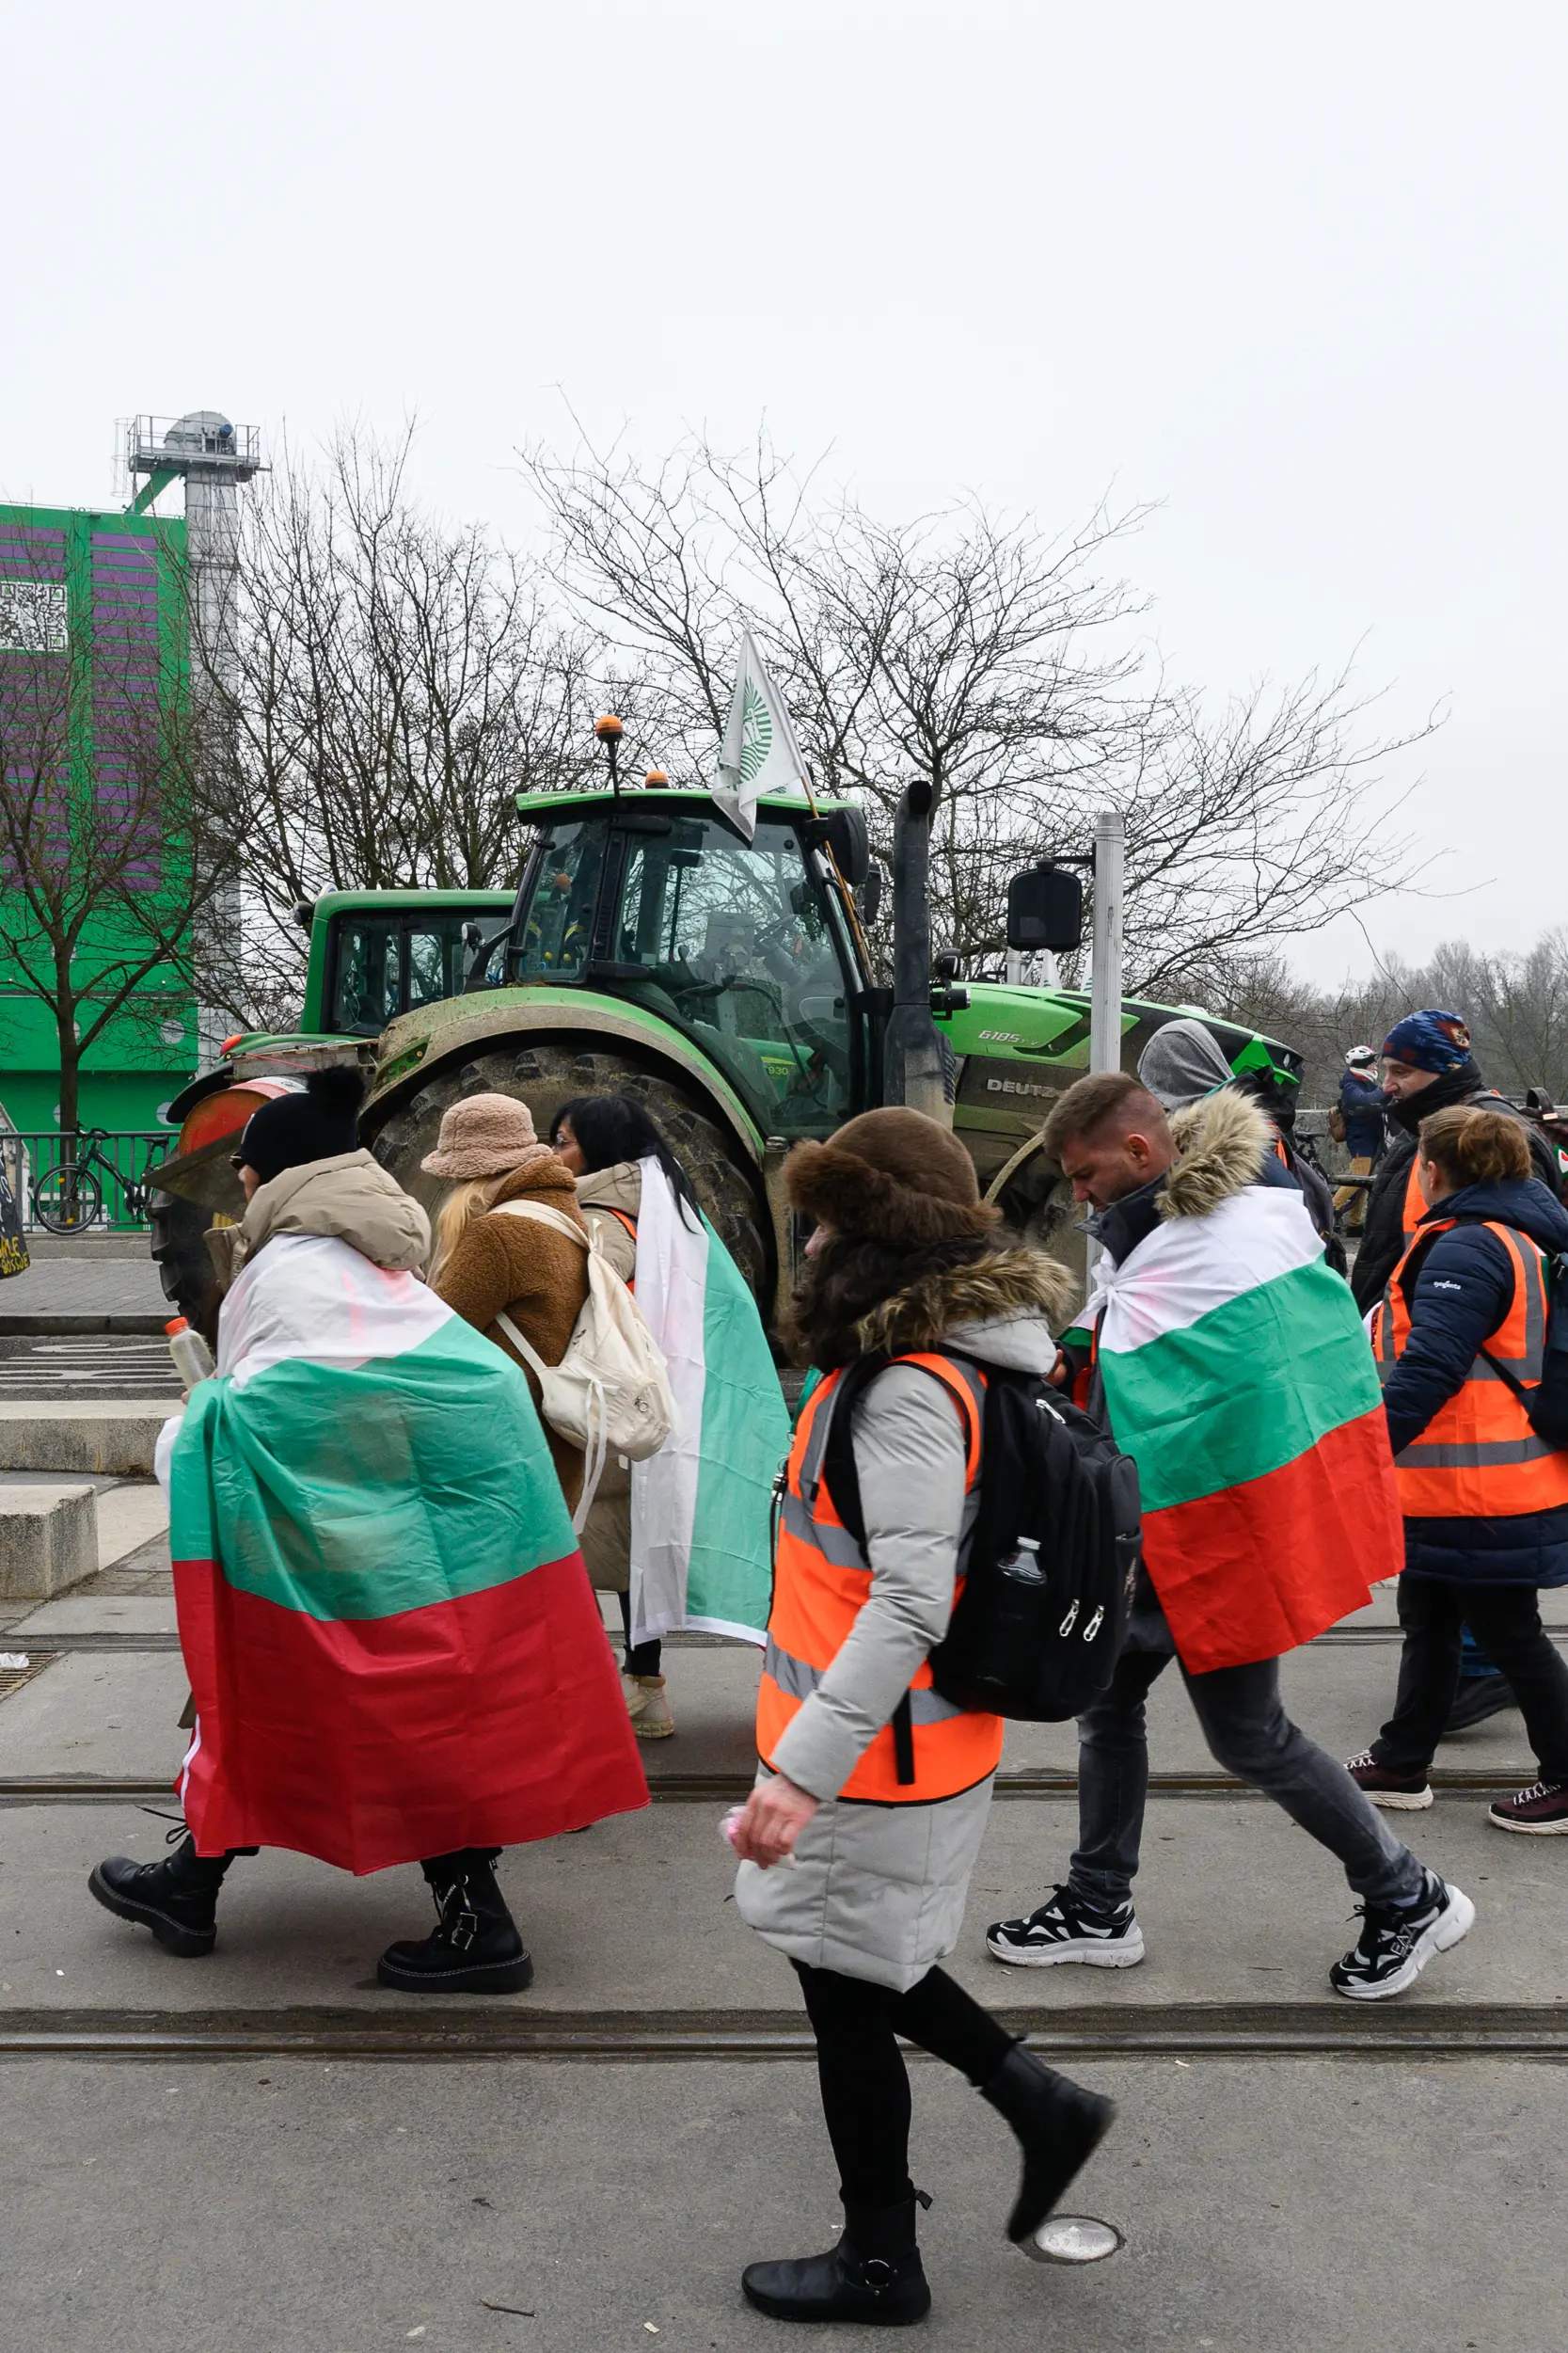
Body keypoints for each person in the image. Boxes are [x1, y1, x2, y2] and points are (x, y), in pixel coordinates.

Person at [88, 1068, 646, 1989]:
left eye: (246, 1164)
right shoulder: (383, 1260)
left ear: (276, 1173)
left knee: (290, 1695)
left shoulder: (285, 1269)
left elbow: (265, 1416)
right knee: (395, 1714)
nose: (238, 1178)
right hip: (426, 1536)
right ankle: (195, 1881)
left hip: (330, 1543)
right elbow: (430, 1384)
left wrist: (187, 1435)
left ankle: (474, 1925)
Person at [729, 1108, 1114, 2326]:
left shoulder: (903, 1386)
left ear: (874, 1232)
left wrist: (797, 1771)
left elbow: (904, 1601)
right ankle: (1036, 2106)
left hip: (871, 1761)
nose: (808, 1241)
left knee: (844, 1990)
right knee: (860, 1967)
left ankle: (880, 2258)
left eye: (825, 1220)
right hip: (903, 1743)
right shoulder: (939, 1363)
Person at [987, 1071, 1475, 2000]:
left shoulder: (1219, 1235)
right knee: (1109, 1704)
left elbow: (1245, 1384)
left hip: (1216, 1531)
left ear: (1138, 1150)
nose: (1077, 1195)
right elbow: (1137, 1341)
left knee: (1248, 1734)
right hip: (1162, 1529)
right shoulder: (1178, 1234)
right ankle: (1097, 1902)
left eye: (1085, 1174)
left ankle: (1407, 1894)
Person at [1346, 1106, 1568, 1830]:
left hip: (1474, 1485)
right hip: (1468, 1482)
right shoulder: (1517, 1236)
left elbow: (1430, 1368)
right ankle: (1401, 1758)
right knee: (1431, 1618)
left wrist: (1363, 1454)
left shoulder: (1467, 1245)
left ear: (1434, 1169)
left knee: (1507, 1634)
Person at [550, 1093, 788, 1740]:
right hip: (656, 1414)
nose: (553, 1154)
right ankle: (643, 1684)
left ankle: (596, 1686)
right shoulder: (671, 1211)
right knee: (636, 1546)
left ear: (599, 1151)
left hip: (600, 1420)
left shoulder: (599, 1219)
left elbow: (570, 1309)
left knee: (570, 1550)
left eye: (564, 1142)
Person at [423, 1092, 592, 1514]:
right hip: (552, 1446)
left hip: (500, 1454)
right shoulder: (560, 1212)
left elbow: (436, 1338)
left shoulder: (497, 1233)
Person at [1136, 1016, 1339, 1259]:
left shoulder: (1218, 1144)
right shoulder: (1255, 1120)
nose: (1155, 1101)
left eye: (1155, 1086)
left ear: (1175, 1080)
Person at [1331, 1046, 1386, 1235]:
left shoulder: (1366, 1082)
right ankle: (1329, 1210)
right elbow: (1364, 1100)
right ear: (1362, 1064)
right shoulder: (1351, 1085)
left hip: (1372, 1136)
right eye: (1371, 1062)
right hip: (1360, 1138)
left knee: (1363, 1181)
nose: (1375, 1064)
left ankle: (1354, 1224)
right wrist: (1386, 1090)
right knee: (1358, 1178)